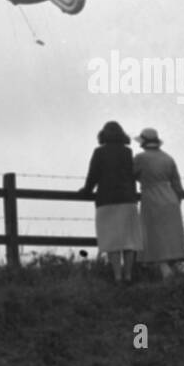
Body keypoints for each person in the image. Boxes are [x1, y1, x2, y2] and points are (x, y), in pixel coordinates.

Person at [79, 121, 143, 284]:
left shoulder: (99, 152)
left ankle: (117, 277)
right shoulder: (127, 152)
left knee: (112, 240)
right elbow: (132, 175)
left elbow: (92, 175)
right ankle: (128, 276)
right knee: (129, 240)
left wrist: (86, 190)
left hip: (106, 200)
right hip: (128, 199)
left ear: (103, 135)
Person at [133, 127, 184, 280]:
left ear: (143, 142)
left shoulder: (140, 158)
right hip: (170, 198)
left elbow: (131, 175)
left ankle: (164, 271)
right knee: (170, 235)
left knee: (154, 235)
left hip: (151, 197)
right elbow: (178, 186)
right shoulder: (168, 158)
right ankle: (171, 269)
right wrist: (176, 202)